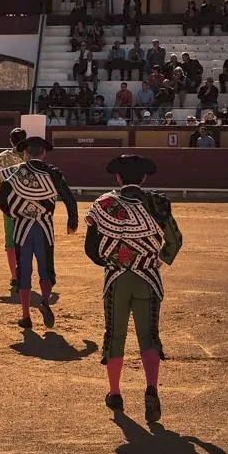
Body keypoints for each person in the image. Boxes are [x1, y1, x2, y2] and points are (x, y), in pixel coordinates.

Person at [85, 155, 182, 420]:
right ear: (144, 178)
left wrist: (115, 261)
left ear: (118, 178)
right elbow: (174, 241)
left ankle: (115, 393)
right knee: (148, 335)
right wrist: (153, 262)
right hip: (148, 278)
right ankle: (151, 388)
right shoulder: (157, 203)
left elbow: (91, 250)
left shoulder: (103, 205)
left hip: (116, 279)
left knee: (115, 335)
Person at [0, 137, 78, 329]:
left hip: (22, 227)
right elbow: (69, 197)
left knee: (23, 269)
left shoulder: (14, 173)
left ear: (25, 154)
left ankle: (26, 316)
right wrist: (72, 221)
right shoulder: (53, 174)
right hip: (45, 227)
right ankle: (45, 302)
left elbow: (0, 200)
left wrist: (14, 213)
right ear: (44, 153)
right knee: (46, 266)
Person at [0, 128, 28, 294]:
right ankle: (25, 273)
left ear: (11, 141)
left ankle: (15, 276)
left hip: (9, 204)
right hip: (29, 204)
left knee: (10, 241)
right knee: (27, 238)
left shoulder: (3, 158)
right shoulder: (32, 156)